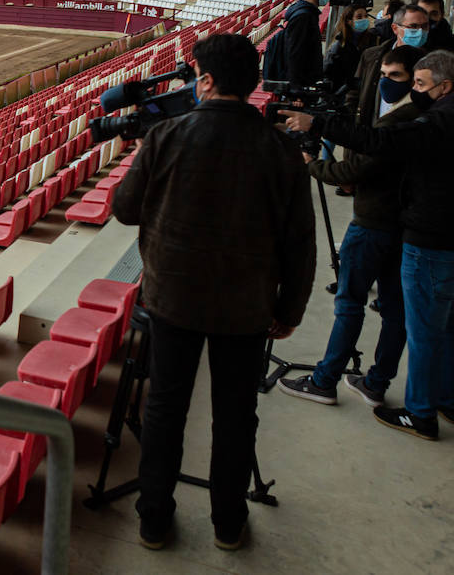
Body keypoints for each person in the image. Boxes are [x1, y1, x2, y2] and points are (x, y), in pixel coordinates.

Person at [112, 34, 315, 551]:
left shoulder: (168, 135)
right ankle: (228, 522)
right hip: (246, 307)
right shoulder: (281, 151)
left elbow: (126, 209)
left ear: (205, 80)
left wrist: (135, 153)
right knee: (235, 414)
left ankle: (154, 518)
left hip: (173, 300)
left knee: (165, 410)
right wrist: (289, 308)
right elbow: (299, 243)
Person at [283, 51, 454, 440]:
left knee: (422, 329)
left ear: (444, 87)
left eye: (420, 84)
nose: (414, 91)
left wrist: (318, 123)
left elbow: (377, 142)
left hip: (434, 239)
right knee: (453, 326)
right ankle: (447, 401)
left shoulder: (441, 121)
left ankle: (421, 413)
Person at [277, 45, 424, 408]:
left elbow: (352, 172)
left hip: (374, 222)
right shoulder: (420, 115)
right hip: (403, 225)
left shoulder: (398, 121)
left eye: (398, 76)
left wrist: (311, 163)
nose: (388, 82)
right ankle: (376, 382)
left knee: (349, 302)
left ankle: (325, 380)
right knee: (394, 308)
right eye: (385, 75)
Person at [346, 3, 430, 123]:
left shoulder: (432, 63)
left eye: (425, 26)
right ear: (395, 28)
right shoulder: (371, 56)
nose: (420, 32)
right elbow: (356, 90)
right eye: (413, 26)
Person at [282, 0, 330, 87]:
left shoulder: (308, 13)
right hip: (302, 85)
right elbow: (295, 54)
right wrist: (296, 91)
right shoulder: (303, 17)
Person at [324, 4, 382, 92]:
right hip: (343, 91)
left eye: (366, 16)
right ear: (349, 21)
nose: (364, 19)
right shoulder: (339, 44)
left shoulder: (373, 40)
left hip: (364, 89)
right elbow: (328, 72)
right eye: (359, 17)